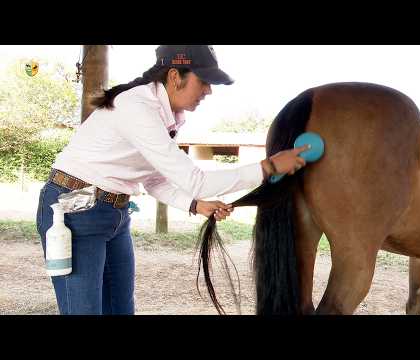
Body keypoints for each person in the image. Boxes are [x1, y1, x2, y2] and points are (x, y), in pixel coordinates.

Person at [36, 45, 308, 315]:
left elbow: (152, 179)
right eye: (204, 81)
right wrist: (269, 166)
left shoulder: (168, 117)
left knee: (120, 309)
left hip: (114, 213)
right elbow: (197, 181)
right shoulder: (137, 106)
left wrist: (194, 205)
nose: (208, 91)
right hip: (74, 211)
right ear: (175, 77)